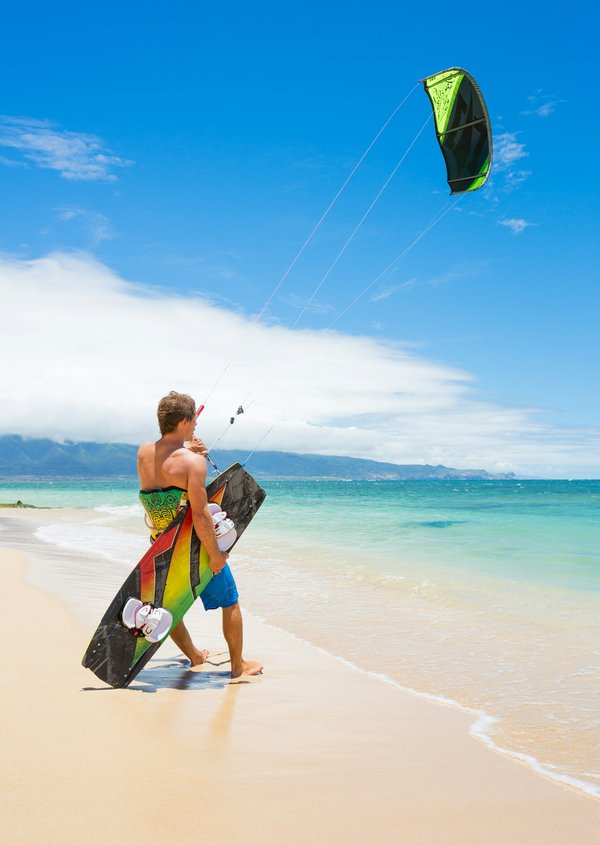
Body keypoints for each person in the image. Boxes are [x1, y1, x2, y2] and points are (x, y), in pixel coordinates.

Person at [137, 390, 262, 679]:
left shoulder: (143, 453)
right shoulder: (193, 464)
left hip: (159, 543)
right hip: (195, 546)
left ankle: (194, 656)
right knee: (230, 601)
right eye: (193, 420)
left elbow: (166, 473)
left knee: (168, 606)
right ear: (183, 422)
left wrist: (187, 451)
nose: (195, 425)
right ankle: (237, 667)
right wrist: (216, 555)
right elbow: (201, 514)